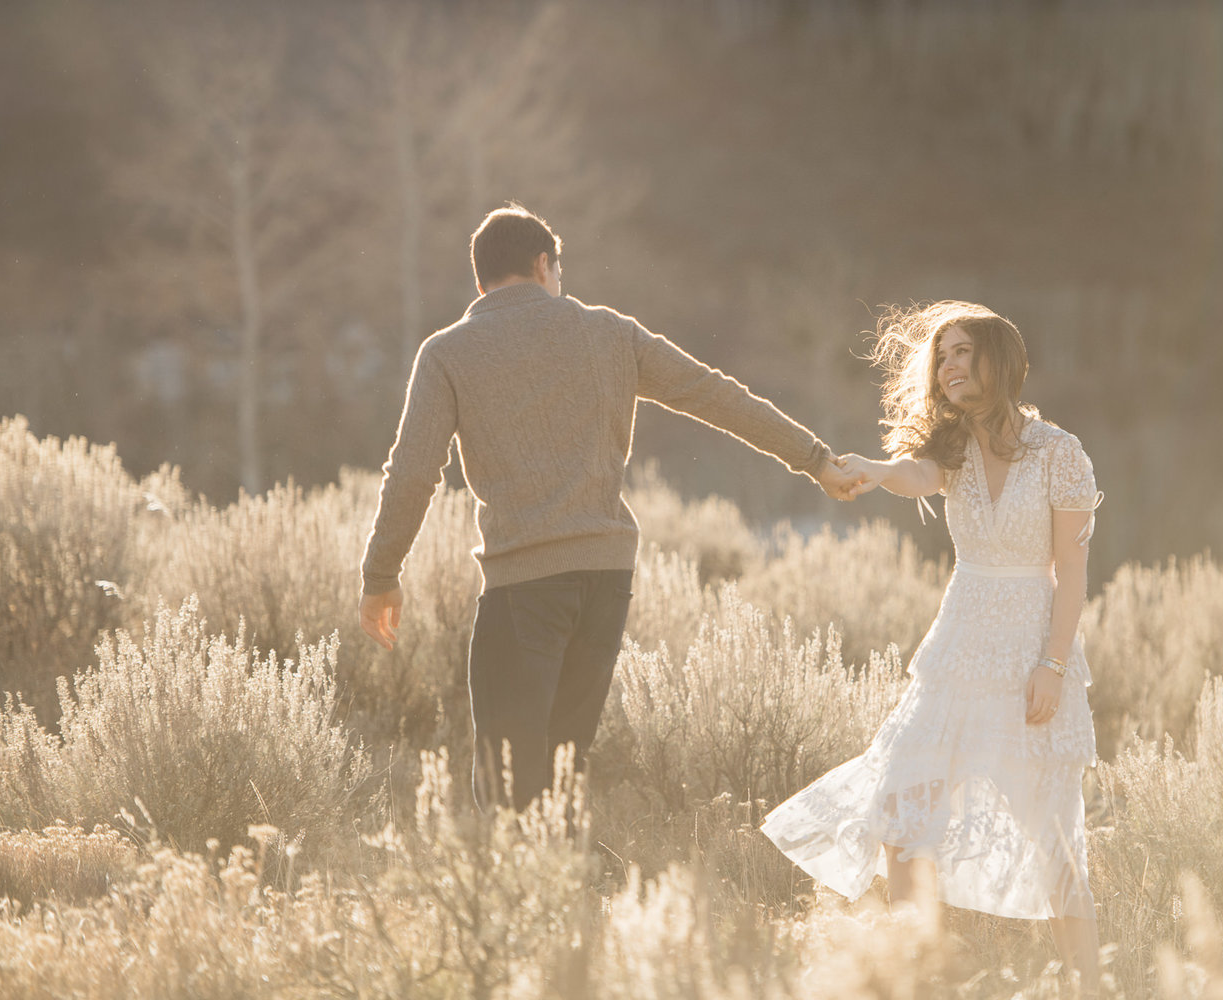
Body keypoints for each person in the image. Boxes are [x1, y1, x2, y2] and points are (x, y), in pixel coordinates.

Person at [359, 203, 864, 811]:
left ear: (480, 279)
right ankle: (568, 899)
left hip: (523, 586)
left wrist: (381, 575)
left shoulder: (447, 353)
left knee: (506, 783)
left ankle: (523, 902)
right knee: (564, 768)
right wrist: (813, 458)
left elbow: (413, 474)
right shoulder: (610, 333)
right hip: (605, 582)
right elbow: (713, 393)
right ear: (543, 265)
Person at [760, 300, 1104, 993]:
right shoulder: (949, 451)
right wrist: (879, 468)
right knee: (902, 814)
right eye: (941, 355)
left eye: (962, 352)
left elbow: (1072, 572)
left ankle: (1091, 988)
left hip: (1029, 654)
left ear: (999, 361)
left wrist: (1053, 666)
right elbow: (918, 475)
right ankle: (920, 979)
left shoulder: (1059, 453)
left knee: (1055, 847)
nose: (948, 366)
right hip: (955, 652)